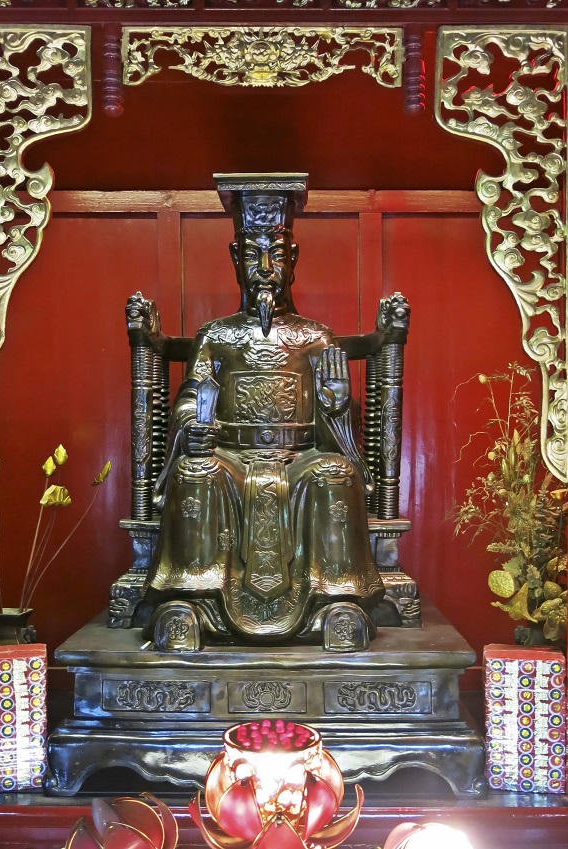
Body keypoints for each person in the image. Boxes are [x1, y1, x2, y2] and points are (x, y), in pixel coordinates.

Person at [136, 174, 384, 646]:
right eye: (253, 256)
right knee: (195, 473)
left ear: (293, 261)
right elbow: (191, 395)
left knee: (334, 475)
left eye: (277, 256)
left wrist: (335, 405)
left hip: (300, 458)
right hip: (230, 456)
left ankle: (333, 600)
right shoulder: (216, 336)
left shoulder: (314, 337)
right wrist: (192, 425)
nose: (265, 268)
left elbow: (335, 432)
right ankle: (195, 599)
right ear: (236, 260)